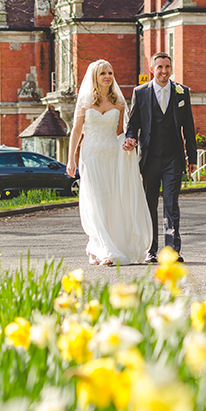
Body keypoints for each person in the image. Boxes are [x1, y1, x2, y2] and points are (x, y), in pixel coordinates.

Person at [67, 60, 152, 266]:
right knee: (97, 200)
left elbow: (121, 132)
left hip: (112, 155)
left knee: (111, 201)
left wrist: (129, 146)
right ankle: (104, 249)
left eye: (110, 72)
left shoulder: (120, 103)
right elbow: (77, 131)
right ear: (95, 77)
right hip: (91, 154)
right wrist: (71, 159)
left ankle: (95, 247)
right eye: (103, 73)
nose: (107, 76)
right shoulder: (86, 101)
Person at [123, 52, 197, 263]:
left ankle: (171, 251)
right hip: (149, 158)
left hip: (174, 157)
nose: (164, 71)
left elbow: (188, 127)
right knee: (149, 205)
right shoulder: (140, 92)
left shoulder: (182, 92)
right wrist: (130, 139)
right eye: (160, 67)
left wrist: (192, 157)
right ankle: (151, 250)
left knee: (171, 204)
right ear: (152, 69)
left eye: (167, 66)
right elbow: (133, 123)